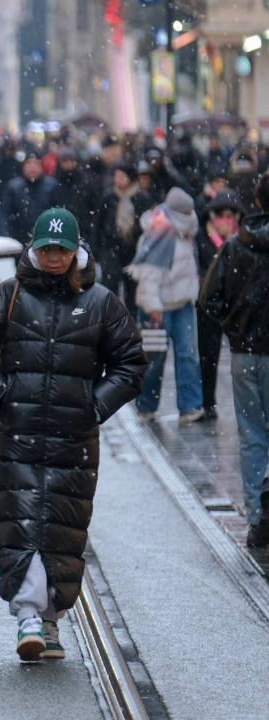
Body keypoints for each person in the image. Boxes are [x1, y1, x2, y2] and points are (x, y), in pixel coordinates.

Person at [0, 208, 146, 662]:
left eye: (63, 250)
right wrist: (1, 395)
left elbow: (131, 362)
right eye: (47, 250)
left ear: (77, 250)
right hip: (17, 435)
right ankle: (27, 615)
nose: (55, 257)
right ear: (34, 250)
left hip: (73, 438)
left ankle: (51, 620)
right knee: (20, 522)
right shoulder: (10, 295)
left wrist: (94, 404)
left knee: (64, 526)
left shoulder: (100, 302)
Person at [199, 173, 269, 548]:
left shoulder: (234, 246)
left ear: (256, 204)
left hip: (245, 354)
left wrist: (234, 326)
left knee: (253, 437)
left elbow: (208, 298)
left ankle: (258, 519)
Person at [127, 187, 205, 423]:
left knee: (188, 355)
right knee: (153, 359)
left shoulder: (185, 232)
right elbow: (148, 276)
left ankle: (191, 406)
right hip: (157, 308)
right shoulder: (157, 233)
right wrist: (154, 308)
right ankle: (146, 405)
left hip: (183, 303)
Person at [195, 190, 244, 420]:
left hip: (237, 305)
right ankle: (208, 402)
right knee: (208, 355)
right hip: (210, 305)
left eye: (230, 215)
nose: (226, 220)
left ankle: (245, 404)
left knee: (243, 357)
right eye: (222, 215)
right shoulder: (202, 237)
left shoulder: (242, 240)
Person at [95, 163, 151, 317]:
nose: (117, 180)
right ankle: (110, 320)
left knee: (131, 290)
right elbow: (98, 223)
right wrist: (97, 249)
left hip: (132, 250)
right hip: (110, 248)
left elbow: (146, 225)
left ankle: (130, 322)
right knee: (110, 286)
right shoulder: (108, 196)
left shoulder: (141, 197)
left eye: (122, 177)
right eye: (116, 176)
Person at [0, 154, 63, 244]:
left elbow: (60, 213)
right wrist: (5, 237)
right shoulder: (13, 187)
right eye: (29, 164)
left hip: (46, 240)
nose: (32, 167)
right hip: (19, 239)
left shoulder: (52, 186)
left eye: (36, 164)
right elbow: (4, 214)